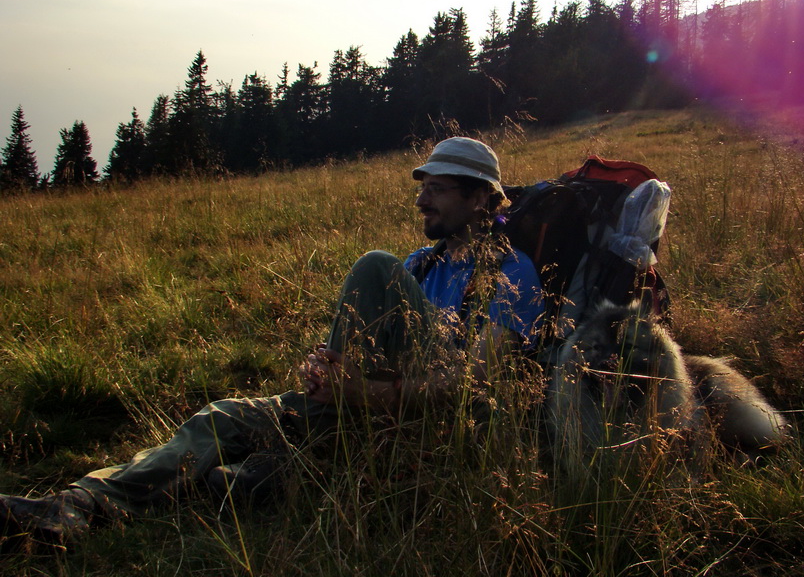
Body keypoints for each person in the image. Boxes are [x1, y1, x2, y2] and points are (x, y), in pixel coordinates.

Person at [0, 137, 544, 547]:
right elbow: (366, 347)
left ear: (478, 199)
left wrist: (362, 395)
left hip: (426, 424)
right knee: (220, 417)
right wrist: (326, 369)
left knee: (373, 265)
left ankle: (284, 463)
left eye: (436, 189)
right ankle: (74, 507)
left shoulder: (510, 274)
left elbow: (471, 382)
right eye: (421, 187)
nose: (421, 200)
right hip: (360, 411)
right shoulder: (419, 266)